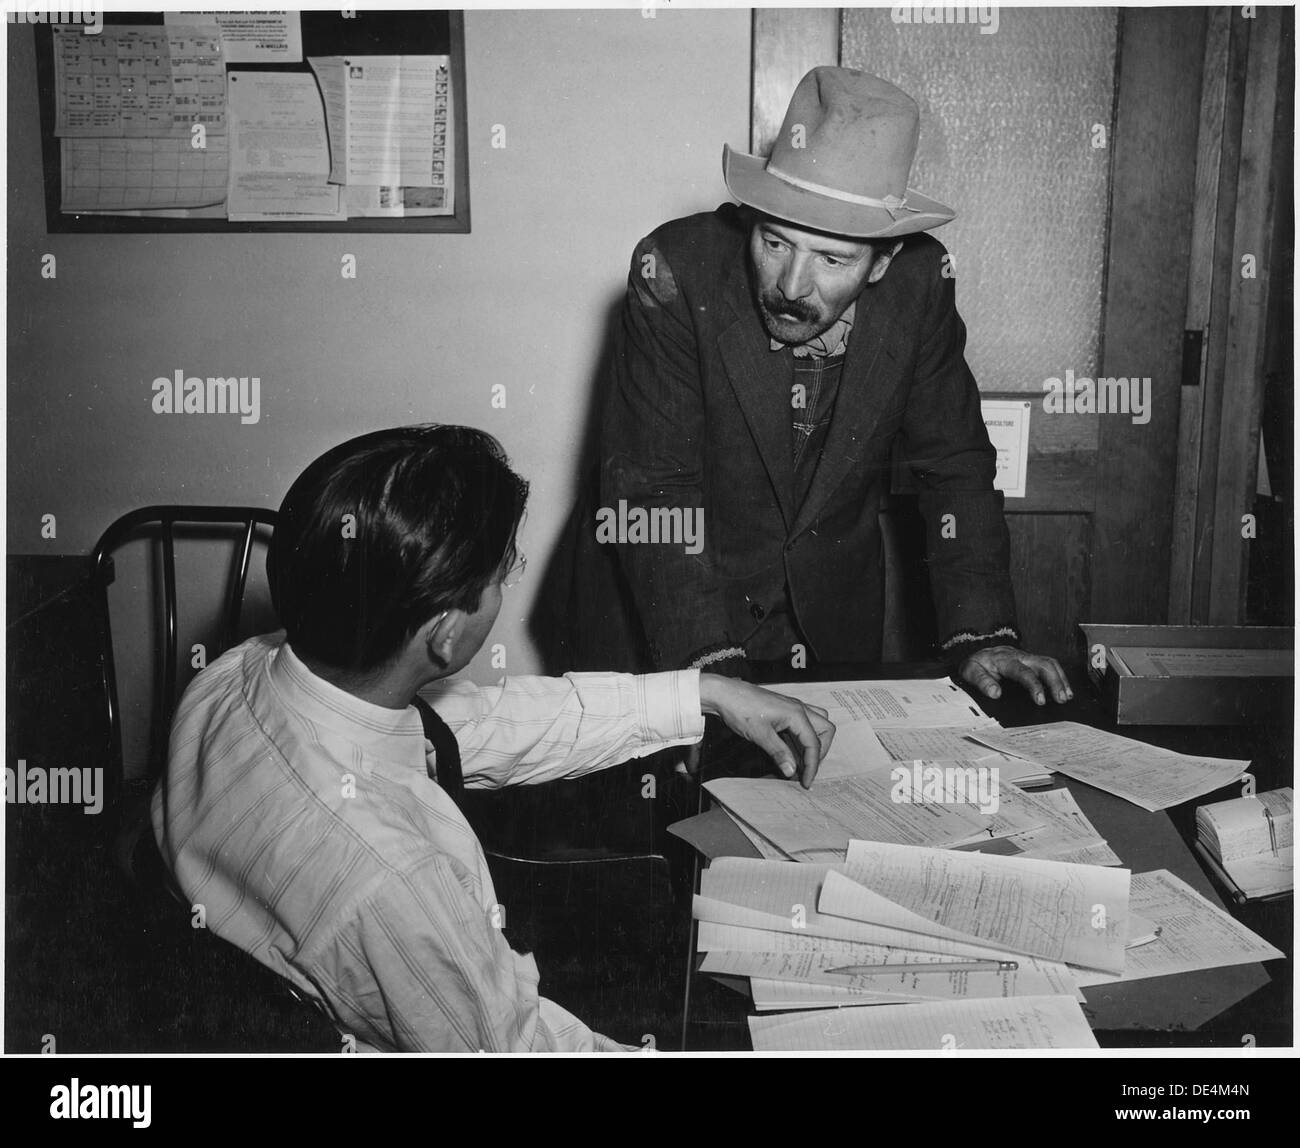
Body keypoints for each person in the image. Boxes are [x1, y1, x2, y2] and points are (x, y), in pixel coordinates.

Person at [152, 425, 833, 1053]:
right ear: (446, 637)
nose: (506, 583)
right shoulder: (394, 882)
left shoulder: (240, 674)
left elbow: (476, 726)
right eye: (498, 578)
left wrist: (703, 694)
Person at [571, 67, 1070, 708]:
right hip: (663, 618)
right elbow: (653, 491)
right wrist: (711, 678)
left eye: (833, 259)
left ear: (884, 260)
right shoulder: (675, 270)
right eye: (774, 241)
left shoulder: (920, 286)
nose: (791, 285)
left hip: (823, 625)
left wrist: (980, 634)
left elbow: (956, 466)